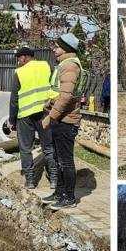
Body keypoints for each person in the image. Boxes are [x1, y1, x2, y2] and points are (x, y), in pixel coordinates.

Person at [41, 33, 83, 210]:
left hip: (66, 121)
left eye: (57, 46)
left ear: (66, 49)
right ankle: (59, 193)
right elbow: (62, 94)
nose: (54, 49)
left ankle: (69, 197)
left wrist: (51, 117)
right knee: (58, 159)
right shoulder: (65, 65)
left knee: (65, 161)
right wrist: (49, 104)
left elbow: (66, 97)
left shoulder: (70, 67)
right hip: (61, 118)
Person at [8, 46, 58, 190]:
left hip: (25, 116)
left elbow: (14, 99)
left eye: (19, 58)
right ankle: (54, 180)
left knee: (25, 149)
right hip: (44, 113)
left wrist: (12, 120)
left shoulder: (19, 72)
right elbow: (55, 87)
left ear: (24, 57)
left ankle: (30, 182)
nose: (18, 61)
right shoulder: (46, 66)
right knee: (48, 147)